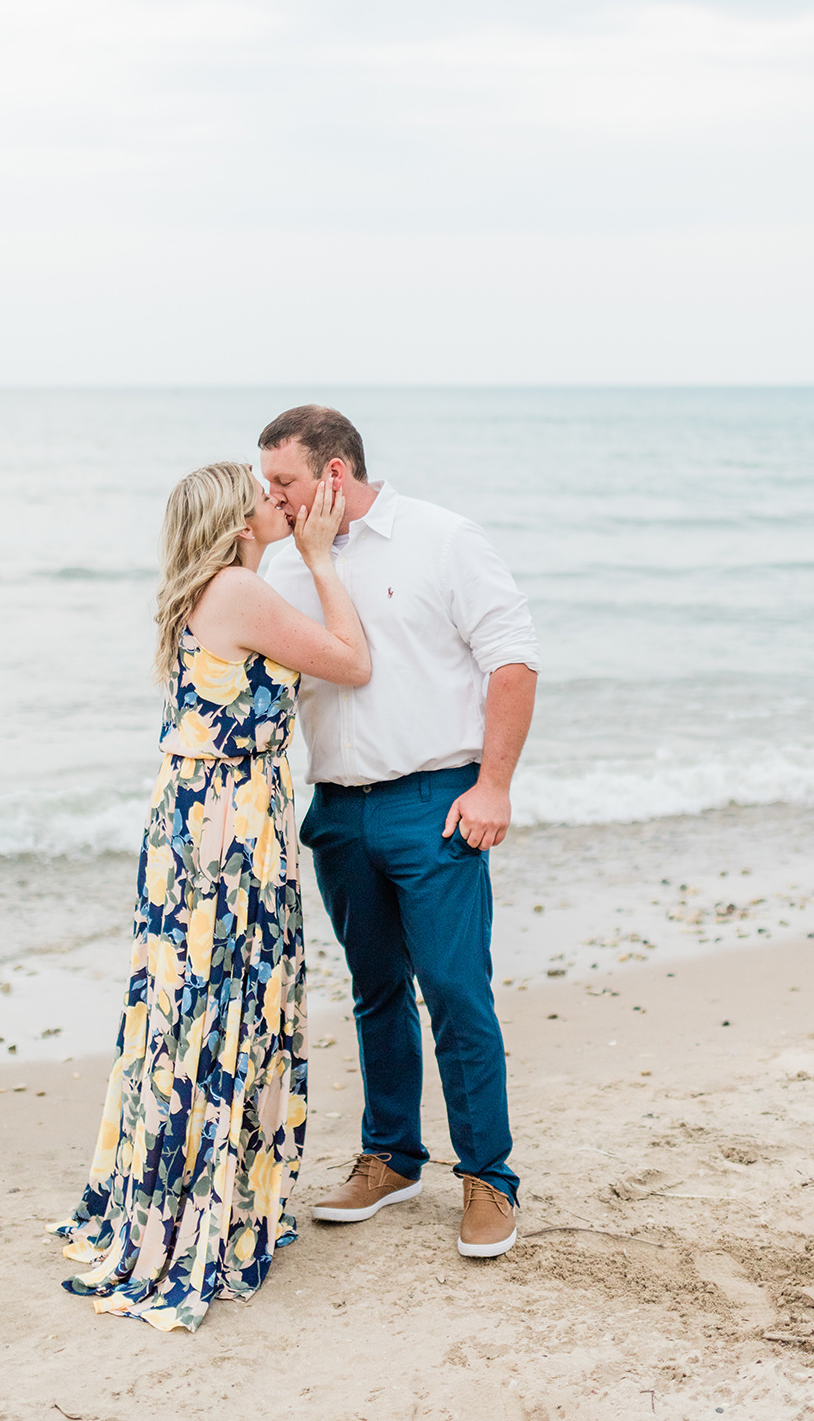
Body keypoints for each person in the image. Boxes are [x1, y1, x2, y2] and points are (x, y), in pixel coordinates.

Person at [54, 462, 370, 1330]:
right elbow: (352, 661)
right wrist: (322, 561)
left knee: (194, 1009)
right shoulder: (238, 588)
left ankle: (205, 1197)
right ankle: (204, 1212)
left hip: (205, 814)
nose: (282, 502)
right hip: (226, 825)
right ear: (235, 521)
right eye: (265, 497)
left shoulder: (216, 585)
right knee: (220, 1006)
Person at [260, 406, 539, 1259]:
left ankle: (488, 1177)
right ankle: (391, 1158)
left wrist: (493, 785)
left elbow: (513, 658)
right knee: (374, 991)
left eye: (284, 481)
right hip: (338, 810)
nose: (270, 496)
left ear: (334, 474)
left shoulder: (443, 538)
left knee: (455, 991)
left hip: (437, 802)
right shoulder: (281, 563)